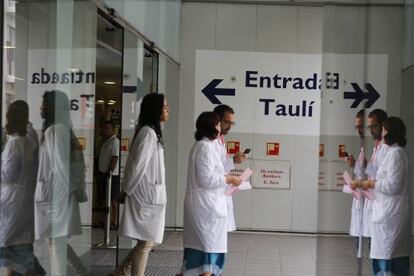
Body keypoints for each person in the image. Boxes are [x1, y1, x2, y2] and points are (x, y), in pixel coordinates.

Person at [111, 93, 170, 276]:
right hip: (144, 195)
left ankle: (121, 270)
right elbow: (137, 165)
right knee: (146, 242)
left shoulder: (151, 132)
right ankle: (128, 272)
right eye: (165, 107)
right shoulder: (147, 132)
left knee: (148, 240)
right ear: (156, 109)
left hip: (149, 194)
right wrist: (125, 190)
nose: (168, 110)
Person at [34, 90, 89, 275]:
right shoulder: (63, 129)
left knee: (54, 241)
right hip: (58, 194)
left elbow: (61, 168)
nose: (41, 107)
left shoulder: (53, 131)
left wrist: (66, 195)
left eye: (44, 104)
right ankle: (80, 269)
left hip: (55, 196)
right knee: (57, 240)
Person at [181, 112, 241, 276]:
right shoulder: (204, 147)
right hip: (205, 207)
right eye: (218, 123)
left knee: (199, 258)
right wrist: (229, 178)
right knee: (206, 258)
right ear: (212, 126)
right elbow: (207, 179)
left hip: (207, 206)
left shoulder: (205, 145)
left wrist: (227, 177)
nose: (220, 126)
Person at [352, 117, 410, 276]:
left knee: (388, 261)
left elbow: (392, 185)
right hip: (387, 213)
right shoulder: (393, 153)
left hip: (390, 215)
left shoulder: (396, 154)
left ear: (390, 132)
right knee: (386, 258)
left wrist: (369, 184)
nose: (382, 133)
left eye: (383, 130)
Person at [0, 102, 45, 275]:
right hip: (24, 198)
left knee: (12, 248)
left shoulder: (14, 143)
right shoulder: (27, 141)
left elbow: (8, 175)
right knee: (19, 247)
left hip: (12, 201)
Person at [213, 105, 247, 233]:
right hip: (215, 195)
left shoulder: (221, 140)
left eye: (232, 123)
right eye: (227, 122)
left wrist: (232, 161)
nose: (229, 126)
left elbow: (221, 166)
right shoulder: (211, 142)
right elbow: (215, 170)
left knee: (220, 235)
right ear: (217, 120)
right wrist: (232, 161)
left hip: (222, 191)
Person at [354, 109, 388, 239]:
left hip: (380, 201)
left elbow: (381, 177)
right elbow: (375, 172)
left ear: (383, 125)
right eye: (370, 127)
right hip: (373, 199)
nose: (371, 130)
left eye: (374, 126)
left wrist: (364, 167)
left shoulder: (385, 147)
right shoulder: (377, 145)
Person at [346, 110, 367, 242]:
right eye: (357, 127)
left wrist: (358, 165)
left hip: (370, 199)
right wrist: (355, 165)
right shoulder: (364, 146)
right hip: (362, 197)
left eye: (361, 126)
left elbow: (374, 174)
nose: (358, 130)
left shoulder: (376, 147)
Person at [97, 120, 120, 229]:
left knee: (113, 198)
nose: (104, 130)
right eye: (103, 128)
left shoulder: (115, 141)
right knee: (104, 198)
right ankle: (103, 220)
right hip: (103, 174)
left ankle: (114, 222)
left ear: (113, 129)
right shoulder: (105, 141)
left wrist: (109, 172)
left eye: (107, 128)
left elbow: (115, 157)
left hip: (111, 175)